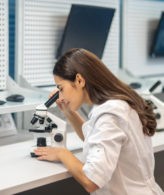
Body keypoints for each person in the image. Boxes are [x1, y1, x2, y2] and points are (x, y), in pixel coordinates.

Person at [34, 48, 164, 195]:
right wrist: (69, 112)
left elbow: (91, 181)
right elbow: (95, 138)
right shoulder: (117, 103)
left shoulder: (109, 114)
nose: (60, 94)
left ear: (79, 80)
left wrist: (62, 154)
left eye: (61, 88)